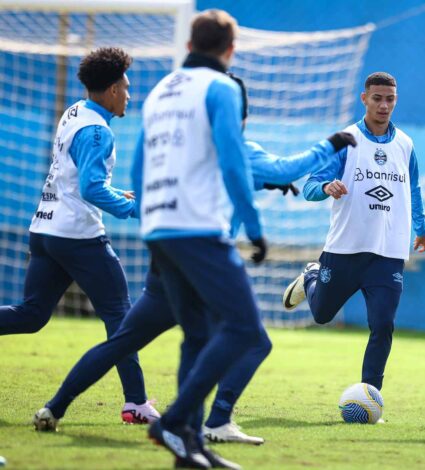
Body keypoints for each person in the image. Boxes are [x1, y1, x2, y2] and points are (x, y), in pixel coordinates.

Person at [31, 73, 352, 447]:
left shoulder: (183, 147)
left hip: (164, 262)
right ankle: (213, 422)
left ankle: (54, 407)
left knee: (123, 341)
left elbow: (225, 176)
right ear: (239, 117)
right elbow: (282, 168)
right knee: (252, 341)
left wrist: (263, 182)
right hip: (204, 267)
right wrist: (331, 144)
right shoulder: (241, 147)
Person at [132, 10, 268, 468]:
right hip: (197, 227)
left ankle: (188, 445)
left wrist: (148, 225)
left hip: (158, 226)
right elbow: (233, 162)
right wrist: (252, 227)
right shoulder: (223, 88)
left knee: (197, 334)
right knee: (245, 330)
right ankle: (171, 422)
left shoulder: (159, 91)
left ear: (190, 45)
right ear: (230, 50)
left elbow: (138, 166)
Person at [0, 47, 158, 425]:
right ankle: (135, 402)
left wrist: (118, 194)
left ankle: (134, 400)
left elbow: (77, 178)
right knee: (121, 315)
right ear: (113, 90)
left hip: (44, 229)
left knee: (32, 314)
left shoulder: (75, 112)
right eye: (126, 86)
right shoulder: (99, 132)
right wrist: (137, 209)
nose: (130, 95)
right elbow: (90, 189)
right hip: (78, 236)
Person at [282, 72, 425, 398]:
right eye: (377, 98)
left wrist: (422, 228)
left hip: (388, 253)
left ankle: (369, 396)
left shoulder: (405, 144)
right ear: (364, 99)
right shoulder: (344, 141)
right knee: (321, 316)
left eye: (390, 99)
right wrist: (325, 187)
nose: (384, 105)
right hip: (346, 248)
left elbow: (414, 188)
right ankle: (311, 274)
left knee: (382, 326)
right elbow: (308, 188)